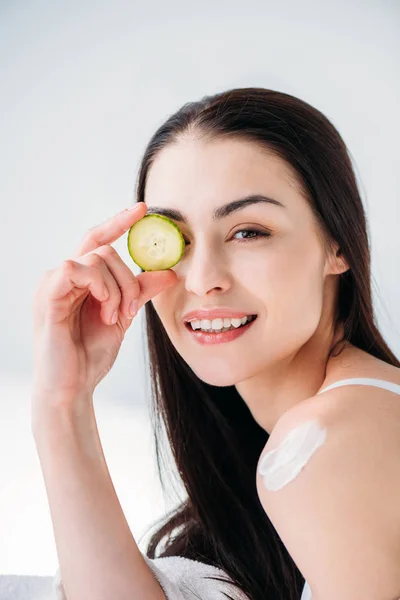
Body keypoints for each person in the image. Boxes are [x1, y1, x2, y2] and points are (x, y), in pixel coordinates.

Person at [31, 87, 400, 600]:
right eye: (175, 239)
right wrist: (62, 401)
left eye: (248, 232)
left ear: (336, 245)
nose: (203, 279)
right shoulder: (346, 421)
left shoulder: (322, 447)